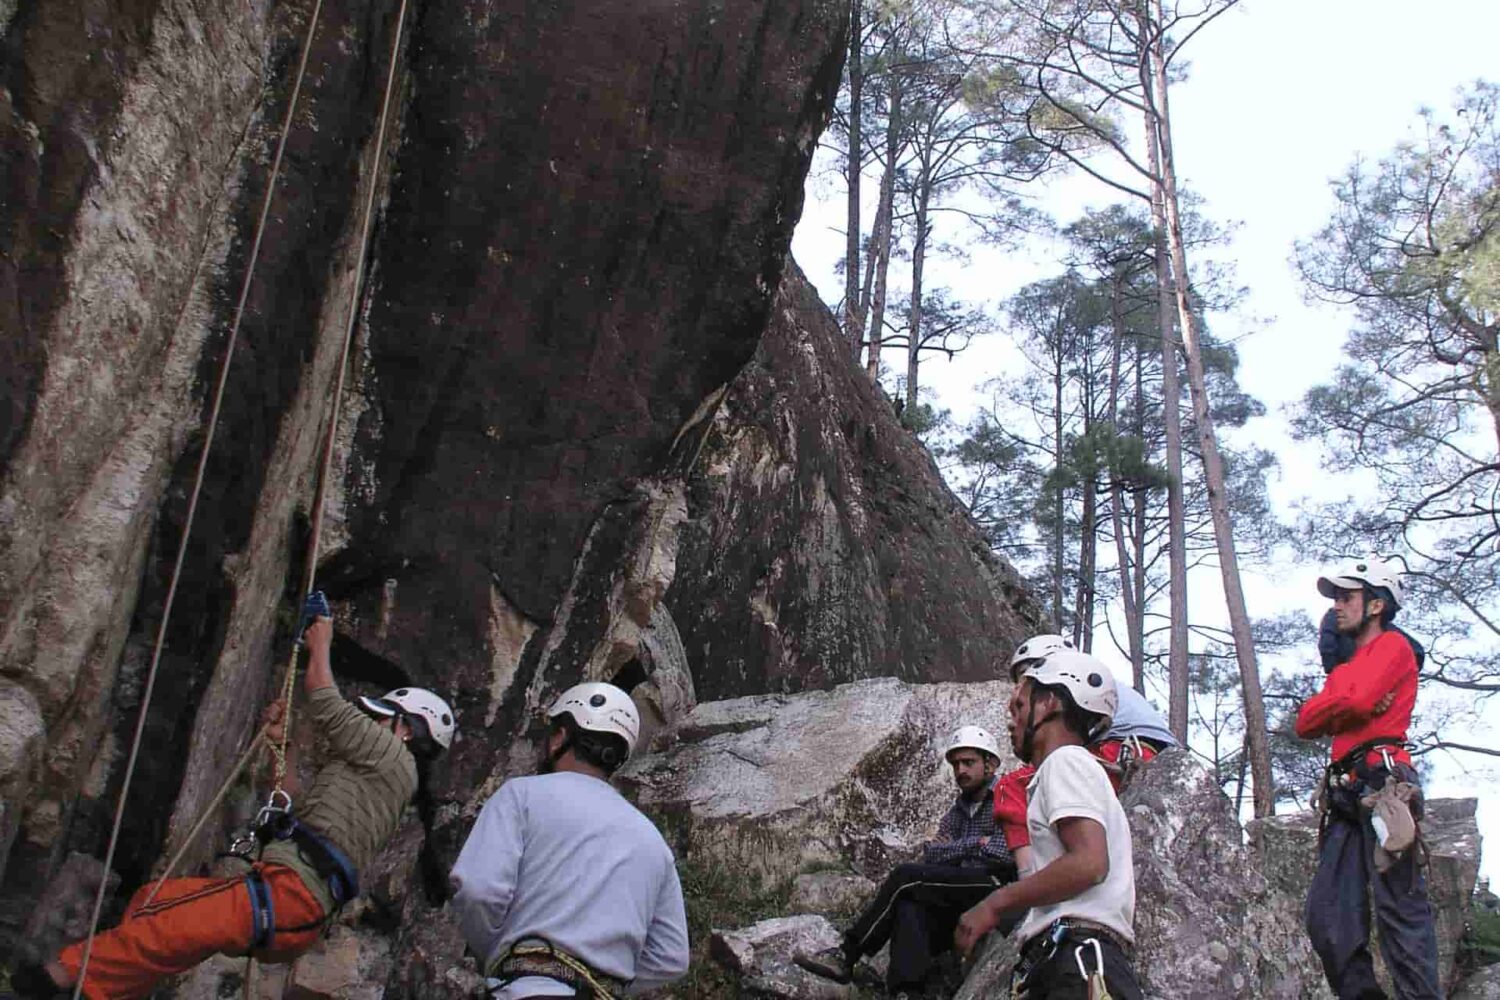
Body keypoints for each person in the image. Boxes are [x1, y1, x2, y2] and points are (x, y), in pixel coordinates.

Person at [19, 603, 457, 1000]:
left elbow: (325, 700)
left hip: (288, 894)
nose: (373, 721)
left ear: (406, 728)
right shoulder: (384, 781)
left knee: (161, 929)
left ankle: (51, 980)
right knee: (154, 901)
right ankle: (107, 991)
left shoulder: (393, 757)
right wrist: (277, 749)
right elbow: (296, 807)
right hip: (291, 903)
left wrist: (320, 638)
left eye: (382, 716)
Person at [449, 681, 689, 1000]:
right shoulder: (652, 841)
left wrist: (499, 952)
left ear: (560, 738)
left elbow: (477, 891)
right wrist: (602, 975)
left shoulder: (521, 796)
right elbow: (672, 957)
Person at [956, 650, 1145, 1000]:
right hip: (1073, 958)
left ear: (1048, 705)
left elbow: (1089, 862)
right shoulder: (1071, 769)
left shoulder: (1065, 761)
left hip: (1078, 959)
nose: (1011, 721)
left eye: (1019, 708)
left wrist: (994, 904)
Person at [1296, 556, 1442, 1000]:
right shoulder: (1344, 669)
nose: (1336, 607)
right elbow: (1305, 722)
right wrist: (1346, 702)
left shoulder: (1394, 649)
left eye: (1346, 597)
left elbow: (1351, 703)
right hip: (1345, 794)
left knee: (1401, 914)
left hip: (1383, 784)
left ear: (1376, 605)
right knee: (1328, 920)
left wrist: (1342, 704)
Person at [795, 726, 1019, 997]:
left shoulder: (1007, 795)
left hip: (995, 886)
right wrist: (975, 843)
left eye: (969, 762)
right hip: (960, 889)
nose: (961, 770)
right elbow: (932, 855)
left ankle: (848, 953)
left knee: (906, 876)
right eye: (956, 764)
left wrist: (956, 849)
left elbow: (1002, 853)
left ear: (991, 764)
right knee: (909, 904)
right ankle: (907, 992)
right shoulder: (957, 810)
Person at [994, 636, 1177, 874]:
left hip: (1122, 752)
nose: (1022, 688)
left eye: (1026, 677)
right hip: (1149, 755)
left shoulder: (1074, 690)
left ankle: (1030, 875)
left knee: (1011, 786)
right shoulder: (1104, 685)